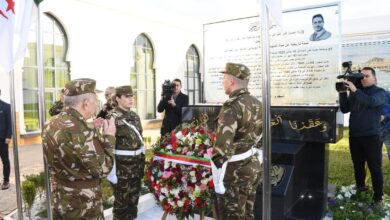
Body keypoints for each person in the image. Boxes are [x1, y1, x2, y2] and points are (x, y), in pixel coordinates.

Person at [42, 78, 116, 219]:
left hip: (61, 197)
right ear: (86, 103)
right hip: (83, 205)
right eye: (95, 102)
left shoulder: (49, 123)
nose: (96, 106)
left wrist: (89, 126)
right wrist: (109, 137)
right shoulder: (82, 131)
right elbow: (103, 169)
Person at [211, 63, 263, 219]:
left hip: (234, 174)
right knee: (247, 214)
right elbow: (261, 138)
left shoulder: (231, 107)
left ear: (232, 81)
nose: (223, 82)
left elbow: (221, 149)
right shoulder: (257, 104)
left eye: (224, 78)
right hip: (252, 166)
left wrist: (216, 172)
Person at [339, 67, 386, 205]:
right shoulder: (356, 92)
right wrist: (342, 93)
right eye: (362, 76)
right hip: (355, 136)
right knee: (358, 166)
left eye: (366, 76)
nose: (363, 78)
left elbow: (371, 102)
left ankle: (378, 198)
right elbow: (345, 109)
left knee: (375, 167)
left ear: (375, 78)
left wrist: (354, 90)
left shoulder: (379, 92)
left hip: (372, 136)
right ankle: (361, 190)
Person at [111, 85, 145, 220]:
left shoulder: (134, 116)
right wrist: (111, 172)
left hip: (136, 168)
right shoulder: (112, 118)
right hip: (122, 171)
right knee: (121, 205)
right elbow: (108, 145)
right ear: (118, 98)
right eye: (127, 96)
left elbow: (140, 141)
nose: (131, 99)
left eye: (132, 96)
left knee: (133, 203)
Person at [0, 89, 12, 190]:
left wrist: (8, 136)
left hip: (2, 139)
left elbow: (10, 123)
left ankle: (6, 181)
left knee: (5, 161)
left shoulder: (6, 106)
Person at [380, 90, 390, 159]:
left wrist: (385, 117)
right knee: (375, 156)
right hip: (373, 131)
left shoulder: (387, 94)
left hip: (388, 129)